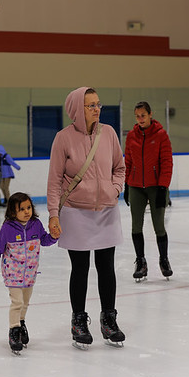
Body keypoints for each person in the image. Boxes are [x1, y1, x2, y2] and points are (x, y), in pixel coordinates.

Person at [46, 86, 126, 349]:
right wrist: (53, 214)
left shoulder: (109, 133)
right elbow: (54, 180)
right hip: (75, 211)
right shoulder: (63, 138)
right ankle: (79, 320)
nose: (96, 109)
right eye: (90, 105)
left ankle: (109, 319)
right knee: (80, 269)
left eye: (98, 104)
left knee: (106, 267)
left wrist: (115, 189)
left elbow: (119, 167)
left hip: (106, 211)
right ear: (76, 109)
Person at [0, 192, 57, 354]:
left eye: (29, 207)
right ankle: (14, 329)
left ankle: (21, 323)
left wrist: (53, 237)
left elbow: (44, 240)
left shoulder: (35, 224)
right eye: (22, 209)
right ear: (12, 212)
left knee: (25, 302)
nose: (27, 212)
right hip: (12, 272)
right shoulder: (8, 228)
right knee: (17, 302)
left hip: (30, 272)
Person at [124, 101, 174, 281]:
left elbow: (167, 162)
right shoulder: (131, 136)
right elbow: (128, 161)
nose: (140, 119)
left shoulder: (161, 135)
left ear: (150, 114)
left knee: (159, 226)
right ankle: (141, 261)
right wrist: (126, 184)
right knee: (136, 226)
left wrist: (163, 187)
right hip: (136, 186)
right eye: (137, 116)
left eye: (143, 116)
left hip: (156, 187)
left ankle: (164, 260)